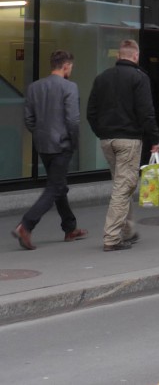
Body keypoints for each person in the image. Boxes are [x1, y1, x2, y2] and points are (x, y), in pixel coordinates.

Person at [87, 39, 159, 252]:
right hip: (129, 140)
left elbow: (91, 112)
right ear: (135, 56)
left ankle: (128, 230)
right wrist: (154, 139)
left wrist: (101, 132)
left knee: (121, 183)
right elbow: (147, 113)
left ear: (118, 56)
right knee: (124, 186)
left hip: (106, 140)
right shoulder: (139, 78)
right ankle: (112, 237)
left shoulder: (102, 78)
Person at [11, 50, 88, 250]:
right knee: (54, 188)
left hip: (43, 145)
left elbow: (29, 119)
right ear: (66, 66)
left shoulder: (35, 87)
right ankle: (26, 225)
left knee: (59, 186)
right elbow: (72, 119)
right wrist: (74, 141)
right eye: (71, 66)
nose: (71, 69)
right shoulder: (70, 87)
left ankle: (70, 228)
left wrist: (38, 134)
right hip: (62, 144)